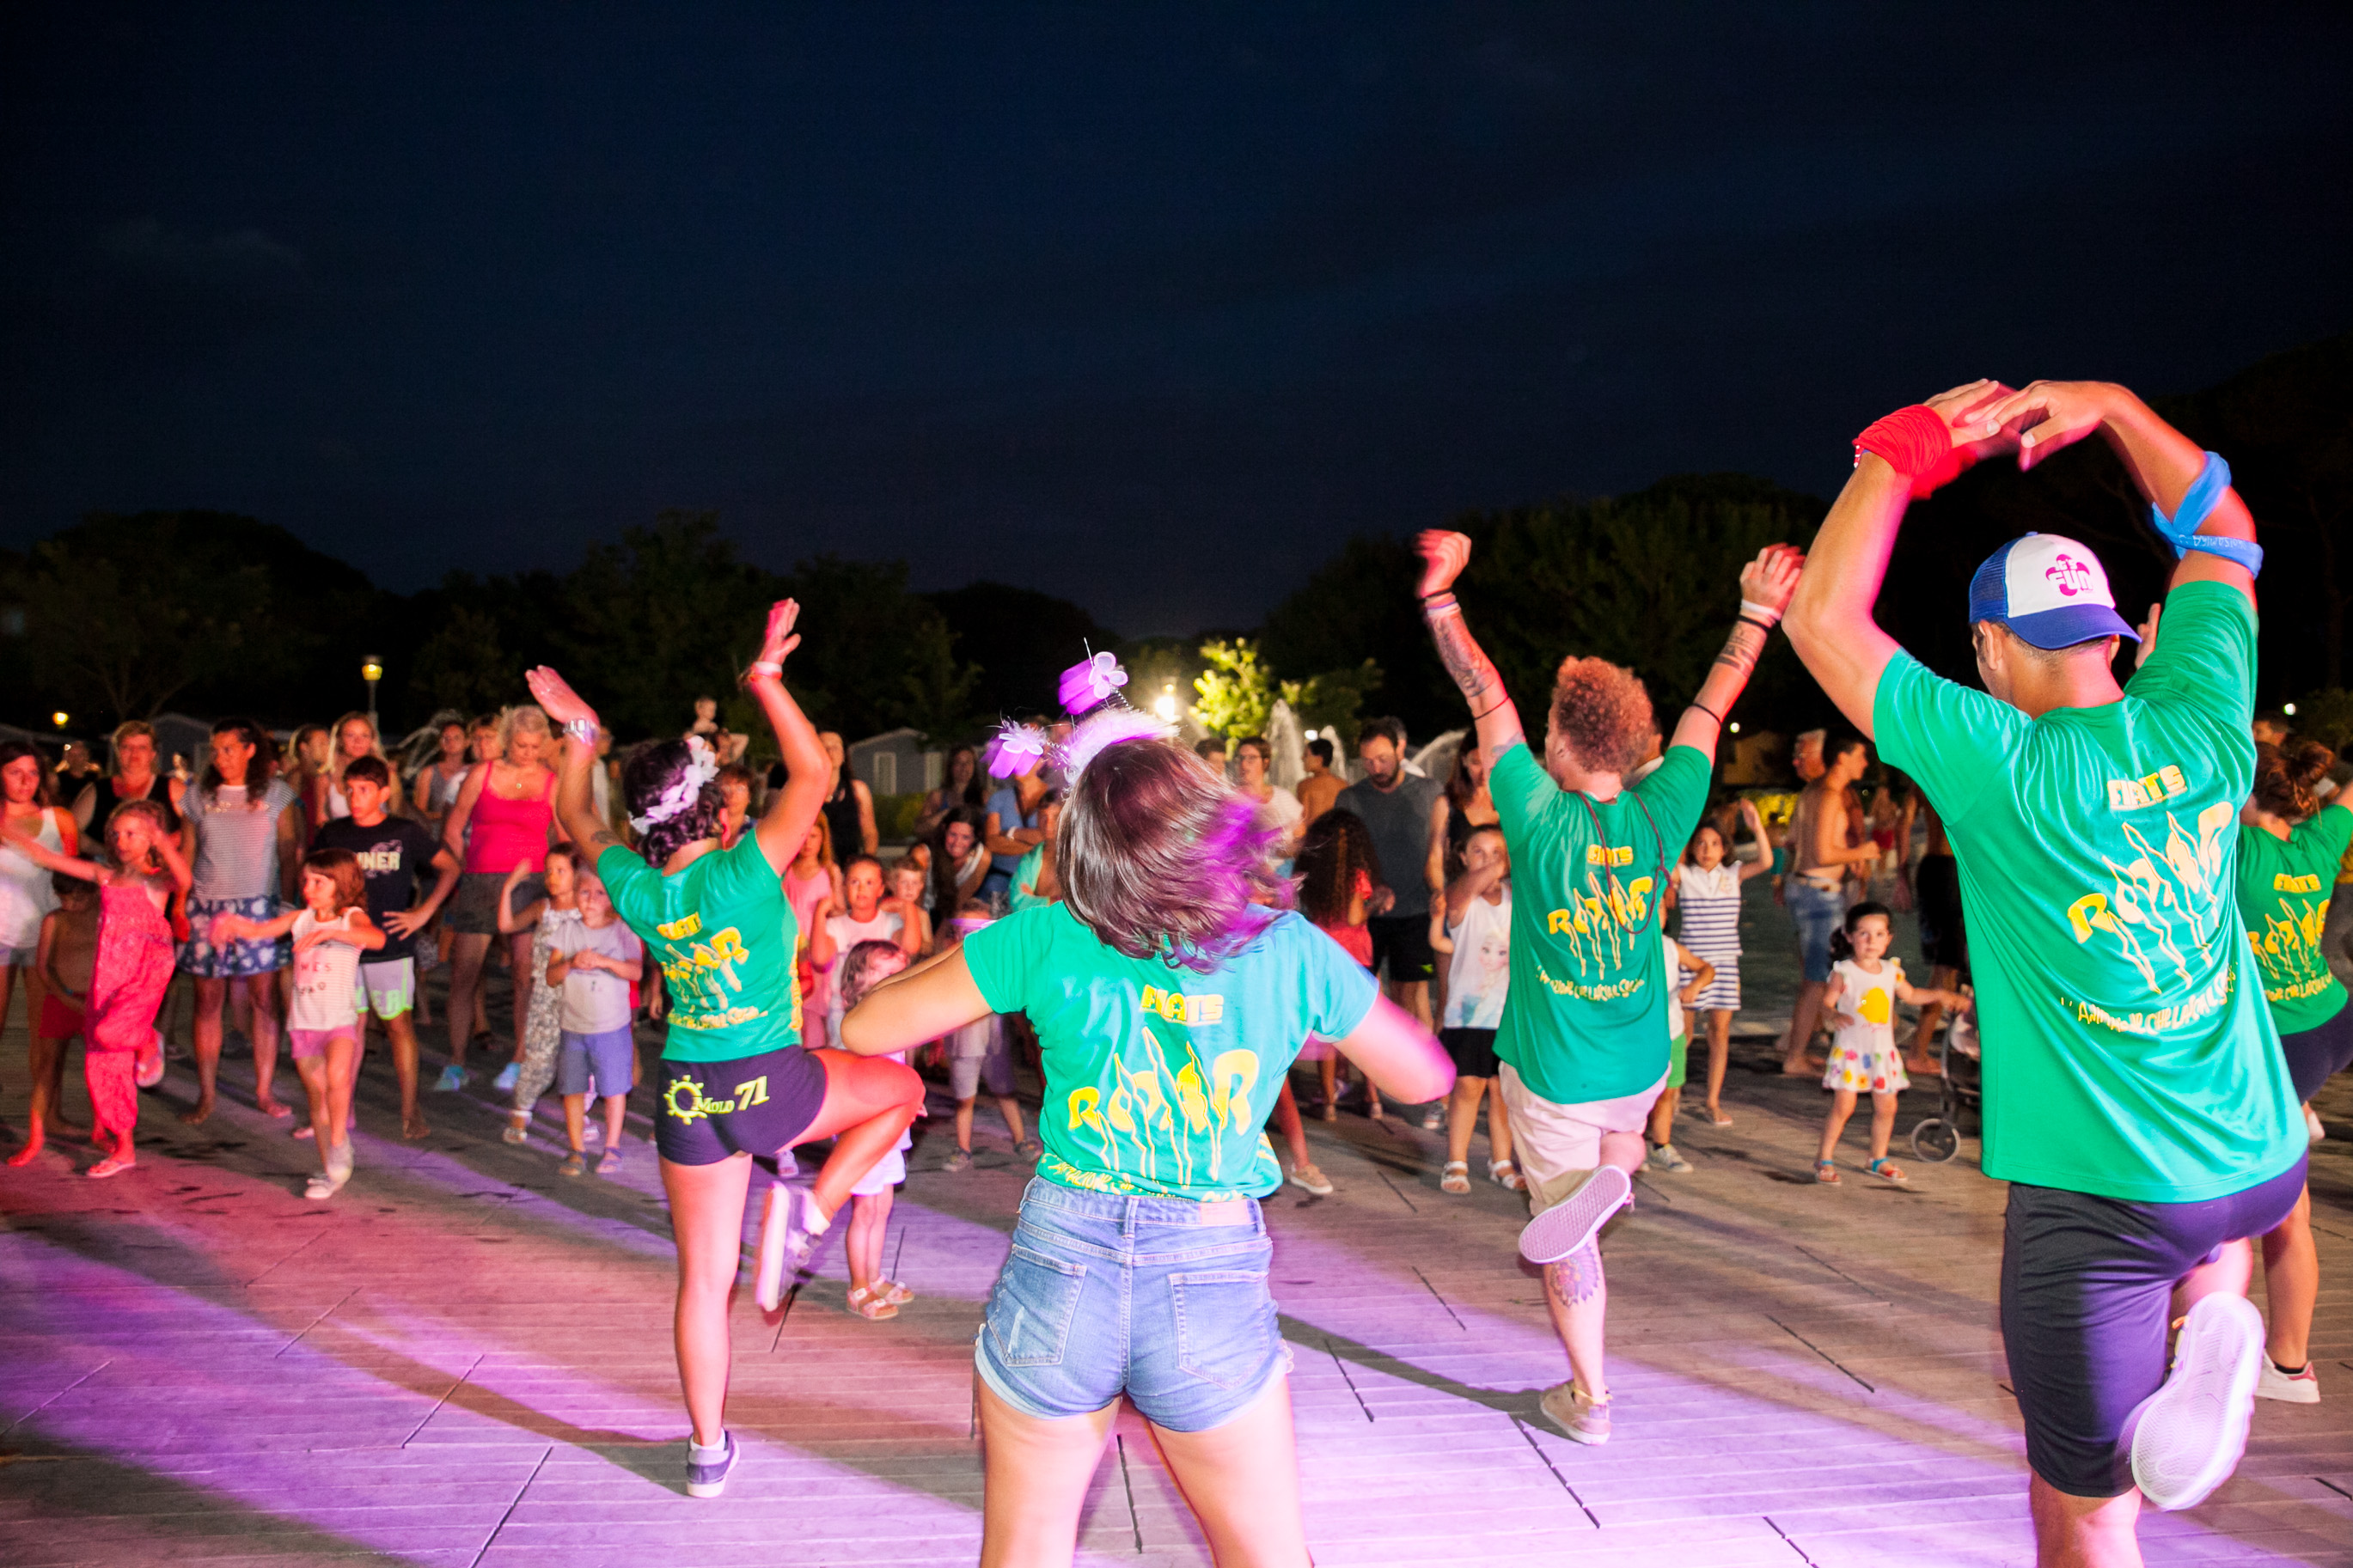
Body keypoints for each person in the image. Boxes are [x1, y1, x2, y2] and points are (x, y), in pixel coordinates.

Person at [1783, 378, 2306, 1556]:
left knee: (2081, 1505)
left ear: (1989, 646)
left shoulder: (1997, 762)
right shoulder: (2203, 711)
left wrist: (1897, 456)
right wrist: (2116, 407)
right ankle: (2218, 1313)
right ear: (2114, 632)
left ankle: (2206, 1323)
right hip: (2259, 1160)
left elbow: (1821, 618)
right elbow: (2222, 533)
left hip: (2107, 1205)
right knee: (2211, 1228)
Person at [839, 734, 1452, 1567]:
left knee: (1024, 1550)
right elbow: (1420, 1076)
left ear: (1083, 852)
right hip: (1207, 1268)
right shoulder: (1285, 947)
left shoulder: (1048, 937)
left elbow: (866, 1023)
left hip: (1061, 1264)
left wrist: (979, 947)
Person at [524, 599, 924, 1501]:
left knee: (702, 1283)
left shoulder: (631, 883)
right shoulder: (747, 867)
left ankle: (706, 1452)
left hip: (688, 1098)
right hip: (770, 1080)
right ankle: (813, 1216)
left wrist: (580, 732)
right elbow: (814, 772)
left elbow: (574, 815)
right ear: (708, 799)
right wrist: (765, 680)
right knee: (897, 1094)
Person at [1415, 524, 1800, 1448]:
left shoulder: (1534, 810)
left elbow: (1481, 689)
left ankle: (1588, 1397)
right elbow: (1710, 709)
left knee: (1563, 1233)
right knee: (1616, 1140)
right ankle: (1619, 1167)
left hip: (1554, 1075)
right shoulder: (1663, 807)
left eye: (1543, 727)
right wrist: (1754, 613)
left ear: (1560, 738)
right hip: (1641, 1053)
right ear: (1628, 742)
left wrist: (1439, 596)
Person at [2229, 738, 2353, 1404]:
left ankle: (2284, 1365)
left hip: (2280, 1043)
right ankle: (2286, 1364)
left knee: (2269, 1208)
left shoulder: (2238, 851)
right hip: (2331, 1020)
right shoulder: (2322, 840)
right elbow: (2346, 798)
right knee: (2285, 1205)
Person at [5, 800, 191, 1176]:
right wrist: (8, 831)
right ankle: (124, 1150)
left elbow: (185, 880)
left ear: (150, 838)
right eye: (117, 834)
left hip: (144, 973)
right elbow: (46, 856)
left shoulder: (154, 879)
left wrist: (165, 843)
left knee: (110, 1032)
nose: (122, 841)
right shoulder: (104, 875)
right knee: (103, 1068)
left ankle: (146, 1038)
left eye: (132, 834)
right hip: (108, 978)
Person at [210, 850, 384, 1198]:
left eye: (319, 882)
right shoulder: (301, 920)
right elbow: (258, 930)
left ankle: (338, 1139)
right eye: (306, 881)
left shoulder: (350, 917)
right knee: (316, 1098)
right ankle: (330, 1170)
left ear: (342, 885)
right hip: (304, 1024)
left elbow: (376, 939)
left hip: (339, 1022)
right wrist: (229, 923)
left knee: (337, 1077)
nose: (309, 888)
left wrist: (332, 936)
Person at [312, 756, 455, 1140]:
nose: (355, 797)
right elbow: (312, 879)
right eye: (351, 789)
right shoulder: (333, 833)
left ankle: (411, 1111)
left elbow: (451, 866)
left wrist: (423, 913)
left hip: (390, 947)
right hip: (344, 950)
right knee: (347, 1031)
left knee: (397, 1026)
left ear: (384, 793)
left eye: (365, 790)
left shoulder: (405, 832)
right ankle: (342, 1110)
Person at [177, 719, 303, 1125]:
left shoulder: (276, 794)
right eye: (215, 750)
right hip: (207, 907)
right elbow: (188, 851)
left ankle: (264, 1091)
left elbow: (288, 851)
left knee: (265, 1000)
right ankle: (207, 1093)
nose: (220, 757)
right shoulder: (199, 795)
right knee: (207, 1002)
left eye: (229, 748)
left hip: (259, 908)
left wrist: (285, 904)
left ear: (251, 749)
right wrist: (182, 901)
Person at [439, 705, 559, 1092]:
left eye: (533, 746)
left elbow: (563, 837)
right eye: (520, 745)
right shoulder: (483, 774)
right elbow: (454, 827)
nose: (527, 752)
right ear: (508, 741)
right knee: (465, 973)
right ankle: (456, 1060)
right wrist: (465, 867)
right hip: (481, 882)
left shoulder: (550, 781)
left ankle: (520, 1058)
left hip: (530, 884)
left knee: (525, 973)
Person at [1810, 902, 1961, 1186]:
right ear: (1849, 936)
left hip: (1881, 1054)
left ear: (1889, 938)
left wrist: (1941, 994)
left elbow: (1912, 995)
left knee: (1887, 1108)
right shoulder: (1844, 972)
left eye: (1879, 934)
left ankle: (1877, 1158)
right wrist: (1832, 1014)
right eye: (1864, 934)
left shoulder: (1892, 971)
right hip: (1853, 1053)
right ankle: (1824, 1158)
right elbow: (1826, 1003)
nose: (1872, 941)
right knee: (1844, 1107)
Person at [1777, 735, 1881, 1076]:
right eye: (1861, 755)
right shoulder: (1829, 794)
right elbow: (1822, 853)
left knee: (1816, 976)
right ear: (1842, 757)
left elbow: (1794, 840)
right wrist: (1861, 853)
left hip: (1807, 889)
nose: (1865, 763)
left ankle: (1796, 1047)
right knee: (1817, 980)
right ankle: (1795, 1056)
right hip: (1818, 893)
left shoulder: (1812, 792)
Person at [1337, 718, 1444, 1042]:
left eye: (1383, 758)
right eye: (1368, 761)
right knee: (1364, 995)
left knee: (1409, 994)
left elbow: (1441, 849)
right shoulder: (1350, 798)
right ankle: (1379, 1072)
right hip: (1368, 913)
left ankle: (1416, 1073)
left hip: (1416, 910)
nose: (1376, 767)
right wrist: (1371, 889)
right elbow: (1346, 856)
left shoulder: (1429, 793)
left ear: (1400, 748)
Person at [1673, 801, 1772, 1126]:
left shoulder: (1732, 874)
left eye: (1714, 843)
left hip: (1726, 964)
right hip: (1691, 964)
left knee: (1720, 1032)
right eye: (1700, 842)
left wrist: (1756, 826)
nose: (1707, 849)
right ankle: (1670, 1095)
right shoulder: (1685, 875)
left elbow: (1767, 861)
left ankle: (1712, 1100)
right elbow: (1664, 864)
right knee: (1682, 1035)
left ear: (1724, 848)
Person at [834, 937, 917, 1320]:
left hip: (891, 1128)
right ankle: (858, 1287)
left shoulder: (894, 1021)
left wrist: (913, 1099)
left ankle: (874, 1274)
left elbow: (899, 1072)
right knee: (865, 1209)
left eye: (901, 973)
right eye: (887, 974)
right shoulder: (861, 1025)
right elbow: (860, 1081)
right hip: (866, 1130)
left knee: (882, 1205)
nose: (897, 981)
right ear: (858, 982)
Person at [547, 862, 645, 1178]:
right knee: (572, 1088)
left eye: (600, 893)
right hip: (573, 1026)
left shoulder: (623, 930)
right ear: (575, 894)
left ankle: (612, 1145)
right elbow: (550, 976)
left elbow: (636, 971)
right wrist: (572, 963)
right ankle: (577, 1148)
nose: (591, 899)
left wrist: (603, 961)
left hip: (611, 1026)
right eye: (585, 891)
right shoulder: (567, 930)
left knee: (614, 1088)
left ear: (612, 898)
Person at [1436, 823, 1519, 1194]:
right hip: (1468, 1014)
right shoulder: (1459, 898)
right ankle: (1457, 1161)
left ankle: (1502, 1161)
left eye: (1496, 852)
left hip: (1508, 1015)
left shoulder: (1519, 899)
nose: (1488, 861)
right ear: (1464, 857)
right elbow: (1466, 889)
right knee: (1468, 1087)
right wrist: (1512, 854)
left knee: (1503, 1092)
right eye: (1479, 852)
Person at [931, 900, 1036, 1172]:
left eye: (982, 928)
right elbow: (938, 1003)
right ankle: (963, 1149)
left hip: (995, 1040)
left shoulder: (999, 962)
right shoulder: (949, 962)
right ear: (955, 933)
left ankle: (1021, 1141)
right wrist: (936, 1040)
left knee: (1006, 1092)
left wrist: (1025, 1036)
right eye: (967, 930)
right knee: (964, 1098)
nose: (974, 936)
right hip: (964, 1042)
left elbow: (1014, 1004)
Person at [1293, 807, 1380, 1120]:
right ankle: (1372, 1099)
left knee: (1327, 1032)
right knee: (1365, 1032)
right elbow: (1356, 916)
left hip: (1324, 958)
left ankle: (1329, 1101)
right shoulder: (1357, 876)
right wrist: (1375, 906)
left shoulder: (1312, 874)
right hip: (1357, 959)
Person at [10, 874, 96, 1165]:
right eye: (64, 899)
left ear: (92, 891)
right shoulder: (54, 920)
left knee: (99, 1070)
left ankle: (102, 1130)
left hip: (95, 1001)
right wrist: (64, 997)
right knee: (48, 1065)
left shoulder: (103, 917)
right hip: (61, 998)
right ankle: (35, 1137)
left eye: (78, 898)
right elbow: (43, 968)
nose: (71, 905)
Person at [497, 848, 578, 1146]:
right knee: (540, 1055)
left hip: (580, 995)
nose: (553, 878)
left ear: (575, 874)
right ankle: (520, 1111)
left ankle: (579, 1116)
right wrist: (509, 887)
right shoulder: (543, 908)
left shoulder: (587, 908)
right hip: (546, 994)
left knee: (582, 1056)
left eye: (561, 871)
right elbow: (506, 926)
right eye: (549, 871)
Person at [2, 741, 79, 1045]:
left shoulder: (59, 820)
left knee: (43, 1035)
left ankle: (43, 1092)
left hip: (44, 935)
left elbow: (72, 884)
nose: (25, 781)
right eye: (14, 772)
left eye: (33, 773)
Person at [810, 854, 918, 1047]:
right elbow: (819, 957)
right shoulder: (836, 925)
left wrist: (907, 907)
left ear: (881, 889)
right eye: (854, 882)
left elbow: (911, 946)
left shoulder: (889, 922)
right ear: (844, 887)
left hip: (884, 1010)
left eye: (869, 883)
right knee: (846, 1062)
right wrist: (820, 913)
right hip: (844, 1013)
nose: (861, 889)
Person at [1899, 790, 1967, 1076]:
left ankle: (1928, 1045)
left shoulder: (1921, 774)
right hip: (1953, 870)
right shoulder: (1962, 769)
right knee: (1948, 965)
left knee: (1948, 962)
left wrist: (1901, 874)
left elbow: (1903, 824)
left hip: (1930, 868)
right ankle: (1919, 1049)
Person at [1644, 933, 1716, 1171]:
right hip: (1635, 1034)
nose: (1656, 914)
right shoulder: (1621, 944)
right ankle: (1626, 1147)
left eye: (1661, 909)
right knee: (1632, 1093)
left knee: (1668, 1091)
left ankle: (1661, 1146)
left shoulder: (1670, 946)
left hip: (1671, 1030)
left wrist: (1696, 985)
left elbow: (1706, 968)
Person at [71, 721, 187, 849]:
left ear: (153, 754)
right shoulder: (97, 790)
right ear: (118, 752)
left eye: (142, 747)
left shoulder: (173, 788)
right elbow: (69, 830)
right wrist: (105, 853)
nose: (134, 753)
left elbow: (199, 826)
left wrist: (161, 849)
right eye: (127, 747)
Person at [782, 820, 843, 1050]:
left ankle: (817, 1055)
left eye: (814, 837)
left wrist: (824, 908)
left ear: (823, 840)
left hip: (818, 948)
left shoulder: (829, 871)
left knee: (817, 1005)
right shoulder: (787, 870)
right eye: (804, 836)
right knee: (794, 1002)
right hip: (793, 948)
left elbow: (840, 910)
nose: (808, 843)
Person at [982, 732, 1049, 906]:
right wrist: (1035, 843)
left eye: (1022, 758)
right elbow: (992, 843)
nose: (1015, 763)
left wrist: (1009, 833)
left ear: (1039, 762)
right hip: (1001, 880)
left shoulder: (1054, 798)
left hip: (1038, 883)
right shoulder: (998, 799)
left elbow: (1052, 838)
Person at [313, 712, 403, 826]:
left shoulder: (388, 775)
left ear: (372, 740)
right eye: (350, 735)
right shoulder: (325, 779)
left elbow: (399, 820)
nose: (358, 741)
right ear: (339, 740)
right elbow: (321, 822)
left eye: (364, 736)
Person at [1233, 735, 1304, 856]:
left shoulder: (1284, 797)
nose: (1244, 764)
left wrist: (1287, 852)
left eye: (1251, 758)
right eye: (1241, 758)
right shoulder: (1232, 800)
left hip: (1283, 869)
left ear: (1265, 762)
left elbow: (1301, 837)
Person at [817, 730, 879, 859]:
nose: (830, 751)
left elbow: (869, 833)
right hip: (815, 868)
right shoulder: (806, 791)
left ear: (844, 754)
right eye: (825, 747)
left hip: (848, 863)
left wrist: (866, 861)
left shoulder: (858, 790)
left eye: (835, 747)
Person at [409, 718, 473, 841]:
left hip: (466, 837)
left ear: (467, 742)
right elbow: (419, 813)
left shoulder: (473, 772)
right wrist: (445, 815)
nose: (450, 742)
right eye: (446, 738)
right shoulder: (429, 773)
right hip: (437, 836)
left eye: (456, 738)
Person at [926, 806, 991, 916]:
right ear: (944, 830)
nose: (957, 842)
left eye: (965, 837)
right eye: (953, 834)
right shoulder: (924, 854)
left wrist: (941, 933)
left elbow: (958, 904)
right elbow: (914, 906)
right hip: (920, 914)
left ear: (976, 837)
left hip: (947, 915)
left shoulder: (982, 857)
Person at [914, 743, 986, 838]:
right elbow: (919, 829)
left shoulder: (984, 796)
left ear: (974, 766)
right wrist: (947, 814)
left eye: (968, 762)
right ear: (950, 766)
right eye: (958, 762)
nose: (964, 767)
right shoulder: (937, 796)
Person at [882, 856, 935, 955]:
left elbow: (929, 946)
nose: (910, 888)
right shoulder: (884, 909)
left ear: (921, 886)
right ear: (891, 884)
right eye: (904, 882)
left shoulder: (922, 915)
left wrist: (919, 944)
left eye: (915, 883)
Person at [1297, 736, 1343, 827]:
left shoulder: (1305, 786)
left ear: (1319, 759)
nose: (1302, 758)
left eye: (1306, 755)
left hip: (1313, 837)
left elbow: (1300, 820)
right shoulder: (1343, 785)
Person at [712, 763, 755, 851]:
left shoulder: (756, 832)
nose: (732, 795)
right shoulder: (705, 826)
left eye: (740, 789)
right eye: (727, 788)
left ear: (749, 796)